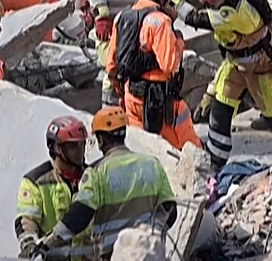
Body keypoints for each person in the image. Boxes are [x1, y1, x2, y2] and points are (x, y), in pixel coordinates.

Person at [179, 0, 272, 170]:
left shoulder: (237, 12)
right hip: (236, 63)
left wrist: (172, 1)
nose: (209, 0)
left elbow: (195, 18)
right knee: (220, 108)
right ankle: (215, 160)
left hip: (261, 67)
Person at [38, 107, 176, 259]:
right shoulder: (152, 164)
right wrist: (151, 233)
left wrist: (50, 241)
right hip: (147, 255)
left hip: (112, 255)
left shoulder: (96, 173)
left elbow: (79, 215)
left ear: (101, 140)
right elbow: (170, 209)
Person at [106, 0, 201, 150]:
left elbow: (111, 65)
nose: (172, 0)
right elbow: (170, 65)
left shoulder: (121, 17)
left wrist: (121, 91)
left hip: (131, 95)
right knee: (182, 148)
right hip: (159, 99)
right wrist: (178, 41)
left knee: (141, 147)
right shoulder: (160, 21)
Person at [15, 116, 91, 259]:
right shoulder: (35, 182)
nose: (80, 150)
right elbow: (27, 220)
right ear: (56, 148)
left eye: (82, 144)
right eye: (73, 146)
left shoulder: (92, 176)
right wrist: (29, 244)